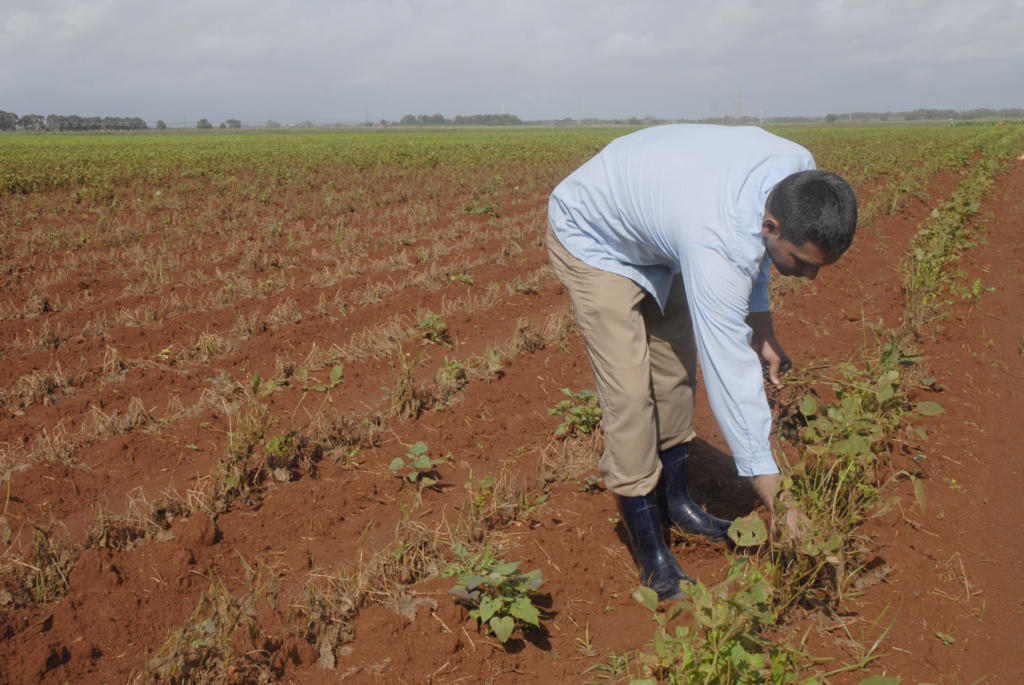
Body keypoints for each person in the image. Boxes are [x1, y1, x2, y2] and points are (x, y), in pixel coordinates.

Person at [546, 124, 857, 601]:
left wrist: (764, 330)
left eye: (819, 265)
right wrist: (779, 497)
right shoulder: (717, 242)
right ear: (770, 226)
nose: (811, 277)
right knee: (630, 396)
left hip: (665, 236)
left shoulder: (797, 173)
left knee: (674, 379)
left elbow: (755, 259)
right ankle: (650, 553)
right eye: (802, 262)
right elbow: (732, 379)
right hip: (595, 239)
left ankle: (677, 502)